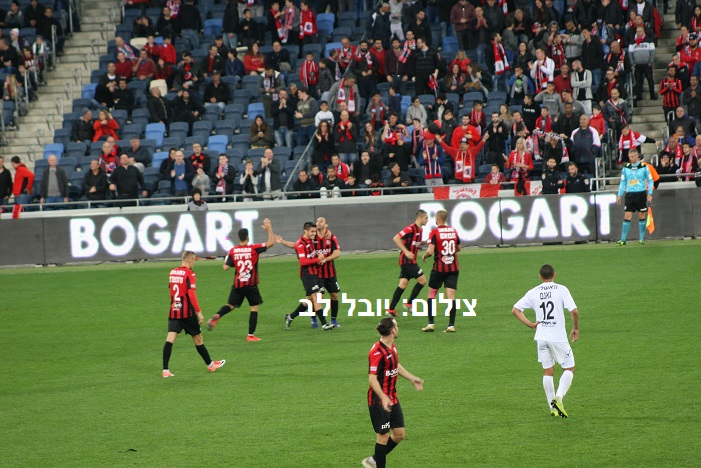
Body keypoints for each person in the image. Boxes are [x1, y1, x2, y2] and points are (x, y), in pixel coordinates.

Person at [512, 264, 580, 418]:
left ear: (540, 276)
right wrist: (576, 328)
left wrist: (530, 324)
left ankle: (553, 408)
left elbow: (515, 310)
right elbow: (574, 311)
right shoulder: (561, 289)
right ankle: (559, 398)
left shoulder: (534, 292)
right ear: (554, 274)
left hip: (541, 337)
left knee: (548, 371)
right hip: (558, 337)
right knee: (569, 368)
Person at [362, 316, 424, 468]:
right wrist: (383, 397)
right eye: (396, 326)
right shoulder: (377, 352)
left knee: (399, 434)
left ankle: (374, 460)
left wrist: (411, 378)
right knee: (382, 436)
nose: (398, 328)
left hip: (392, 398)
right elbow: (372, 378)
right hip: (379, 400)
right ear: (393, 330)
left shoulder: (392, 346)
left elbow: (395, 364)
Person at [207, 219, 276, 341]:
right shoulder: (254, 248)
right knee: (254, 307)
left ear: (239, 238)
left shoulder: (233, 250)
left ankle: (218, 315)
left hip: (238, 284)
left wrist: (237, 262)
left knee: (230, 305)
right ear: (247, 237)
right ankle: (251, 335)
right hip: (250, 284)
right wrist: (268, 228)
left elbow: (225, 267)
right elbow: (271, 242)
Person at [162, 250, 226, 378]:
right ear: (190, 260)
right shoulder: (190, 274)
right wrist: (199, 312)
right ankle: (210, 365)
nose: (194, 264)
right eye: (194, 261)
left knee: (170, 339)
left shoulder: (172, 272)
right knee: (198, 338)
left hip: (174, 310)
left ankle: (165, 370)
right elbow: (191, 294)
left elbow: (171, 292)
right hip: (187, 312)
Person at [280, 222, 336, 330]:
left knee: (312, 300)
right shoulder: (301, 244)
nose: (314, 233)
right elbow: (303, 262)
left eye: (315, 231)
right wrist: (317, 259)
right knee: (317, 296)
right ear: (305, 231)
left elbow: (295, 245)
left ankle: (290, 317)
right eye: (312, 231)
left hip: (316, 272)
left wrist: (328, 232)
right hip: (307, 274)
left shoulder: (311, 240)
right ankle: (324, 324)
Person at [420, 209, 461, 333]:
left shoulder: (434, 232)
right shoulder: (453, 231)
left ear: (437, 219)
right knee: (451, 296)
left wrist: (424, 256)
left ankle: (431, 323)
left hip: (439, 269)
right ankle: (451, 325)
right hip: (453, 268)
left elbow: (430, 251)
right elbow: (459, 248)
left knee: (432, 294)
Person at [386, 210, 429, 316]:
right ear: (420, 218)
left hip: (410, 261)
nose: (427, 220)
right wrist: (406, 251)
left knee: (403, 284)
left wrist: (426, 242)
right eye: (426, 218)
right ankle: (409, 303)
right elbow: (396, 238)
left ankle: (391, 309)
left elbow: (416, 243)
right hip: (407, 261)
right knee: (423, 281)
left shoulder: (420, 229)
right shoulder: (410, 228)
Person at [615, 148, 654, 245]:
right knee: (627, 216)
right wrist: (619, 195)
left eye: (632, 157)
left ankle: (641, 239)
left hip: (641, 193)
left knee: (641, 215)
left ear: (637, 156)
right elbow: (623, 182)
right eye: (630, 157)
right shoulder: (626, 168)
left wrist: (650, 193)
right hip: (630, 194)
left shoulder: (644, 167)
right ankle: (623, 240)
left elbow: (650, 180)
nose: (631, 159)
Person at [313, 217, 342, 328]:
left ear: (326, 225)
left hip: (330, 273)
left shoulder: (332, 237)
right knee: (319, 297)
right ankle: (313, 318)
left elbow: (337, 253)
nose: (318, 223)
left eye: (321, 221)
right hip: (317, 273)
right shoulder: (312, 237)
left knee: (334, 295)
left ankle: (333, 320)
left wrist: (326, 259)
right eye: (317, 221)